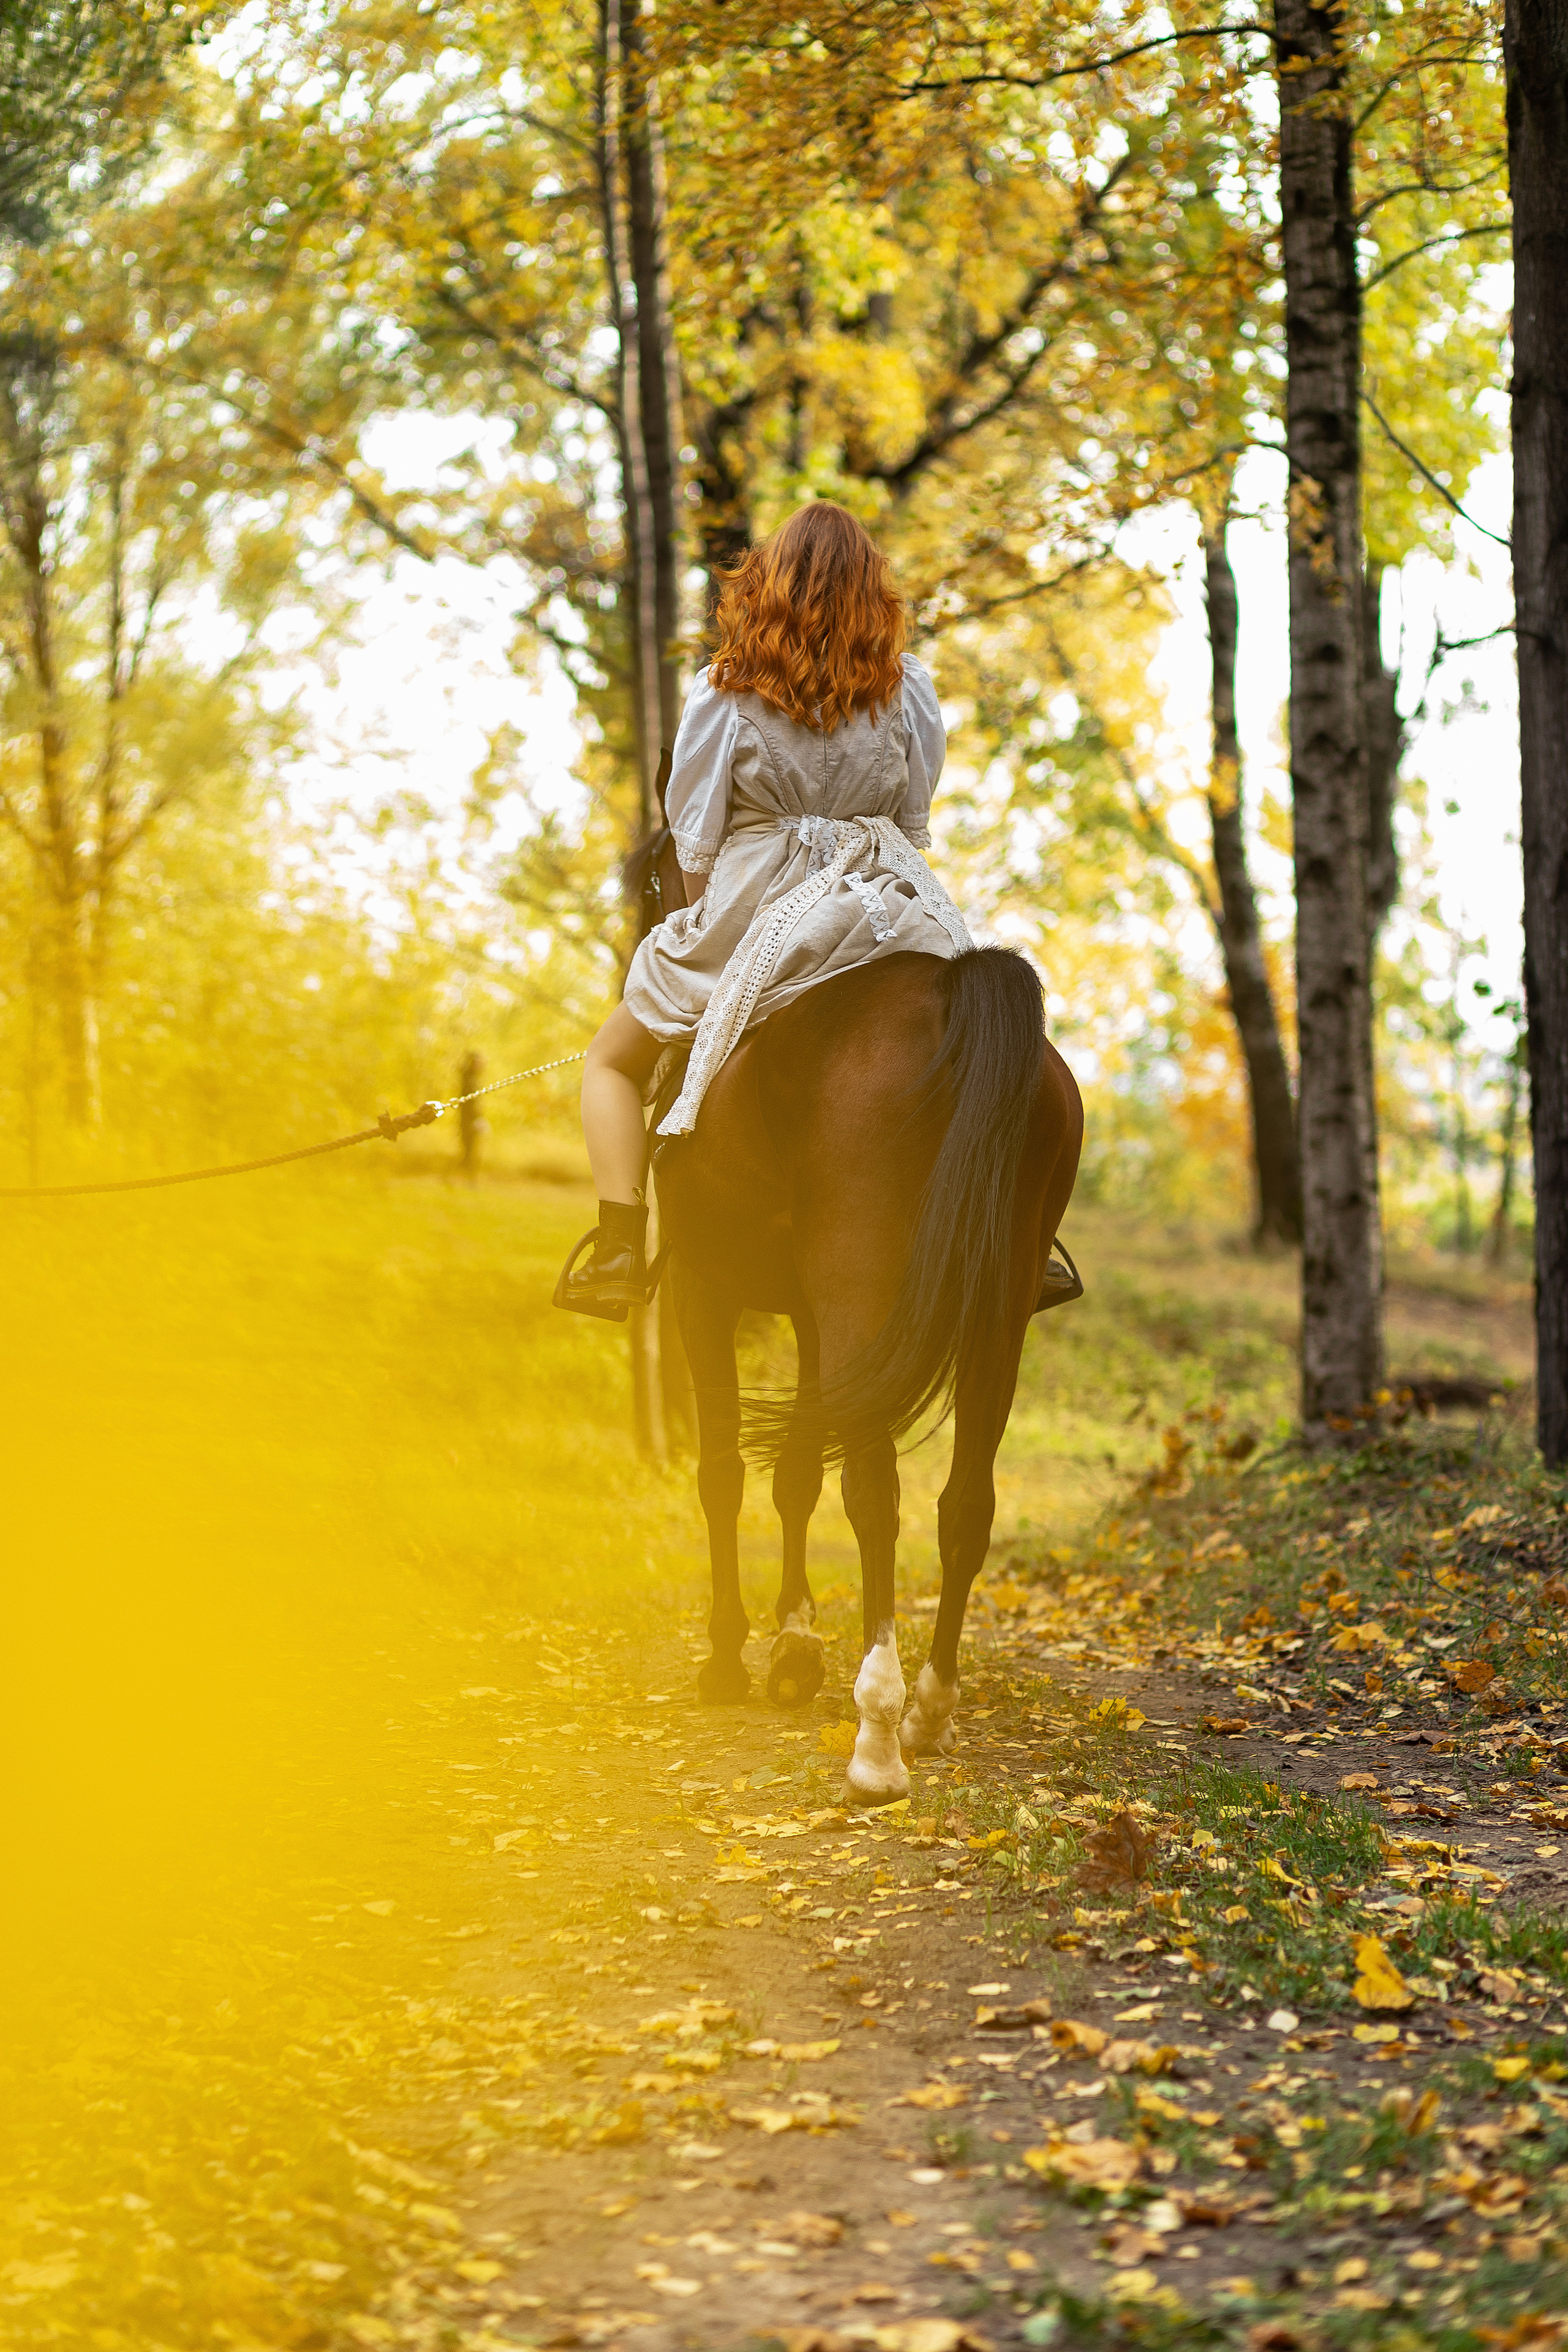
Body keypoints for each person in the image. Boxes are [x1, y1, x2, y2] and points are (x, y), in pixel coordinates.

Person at [556, 500, 972, 1320]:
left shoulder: (725, 689)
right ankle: (1025, 1246)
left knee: (609, 1062)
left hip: (757, 905)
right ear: (872, 594)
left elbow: (696, 841)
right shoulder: (910, 687)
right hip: (881, 904)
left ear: (769, 586)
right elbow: (916, 824)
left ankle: (616, 1247)